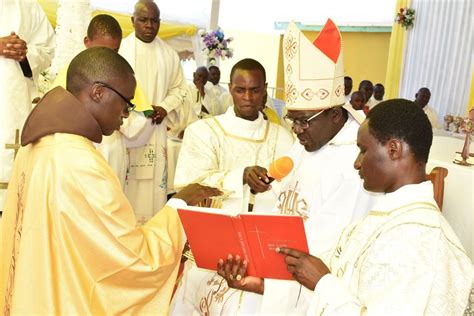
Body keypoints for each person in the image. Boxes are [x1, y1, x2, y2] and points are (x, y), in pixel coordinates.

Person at [0, 47, 222, 314]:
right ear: (98, 92)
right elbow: (133, 261)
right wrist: (179, 206)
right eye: (127, 103)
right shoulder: (82, 164)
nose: (127, 115)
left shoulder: (36, 146)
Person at [198, 20, 375, 315]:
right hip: (276, 273)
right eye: (292, 120)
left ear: (334, 114)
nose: (296, 130)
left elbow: (324, 250)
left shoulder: (355, 164)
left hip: (311, 289)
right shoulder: (307, 141)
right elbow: (282, 198)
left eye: (303, 120)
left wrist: (266, 281)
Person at [274, 99, 473, 314]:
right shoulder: (387, 218)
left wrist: (322, 282)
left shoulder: (416, 239)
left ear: (394, 149)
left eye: (363, 150)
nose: (357, 163)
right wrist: (264, 285)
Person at [170, 59, 294, 315]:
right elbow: (188, 185)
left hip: (264, 253)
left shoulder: (283, 137)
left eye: (255, 90)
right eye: (240, 90)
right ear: (230, 89)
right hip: (212, 250)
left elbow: (293, 189)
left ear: (265, 90)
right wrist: (240, 177)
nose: (247, 97)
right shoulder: (203, 131)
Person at [50, 14, 153, 189]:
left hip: (110, 149)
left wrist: (116, 121)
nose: (105, 57)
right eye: (100, 49)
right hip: (75, 151)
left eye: (113, 52)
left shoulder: (121, 74)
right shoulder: (69, 71)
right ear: (86, 42)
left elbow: (138, 120)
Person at [120, 0, 189, 223]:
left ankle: (150, 236)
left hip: (156, 130)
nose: (149, 25)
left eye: (154, 20)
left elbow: (180, 89)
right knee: (125, 186)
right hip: (125, 130)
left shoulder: (169, 54)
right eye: (143, 20)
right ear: (133, 21)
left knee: (152, 195)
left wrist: (164, 107)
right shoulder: (121, 50)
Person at [0, 0, 55, 210]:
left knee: (12, 207)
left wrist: (25, 54)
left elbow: (48, 49)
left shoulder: (29, 6)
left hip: (14, 104)